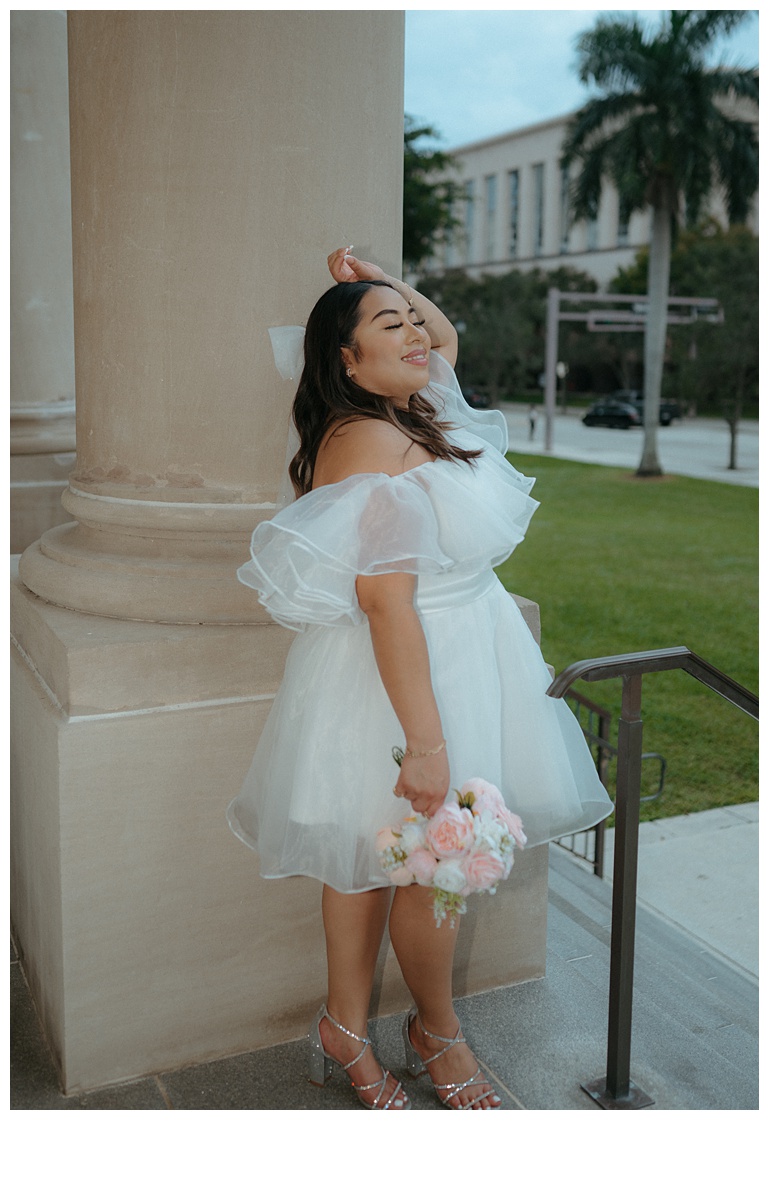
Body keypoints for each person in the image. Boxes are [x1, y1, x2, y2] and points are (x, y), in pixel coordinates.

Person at [228, 247, 613, 1110]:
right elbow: (383, 604)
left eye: (409, 322)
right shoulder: (369, 440)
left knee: (375, 859)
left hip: (460, 651)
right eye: (385, 327)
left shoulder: (412, 407)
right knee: (434, 859)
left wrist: (385, 284)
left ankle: (350, 1025)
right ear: (344, 359)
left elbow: (442, 338)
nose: (415, 337)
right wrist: (426, 746)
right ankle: (430, 1031)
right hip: (409, 676)